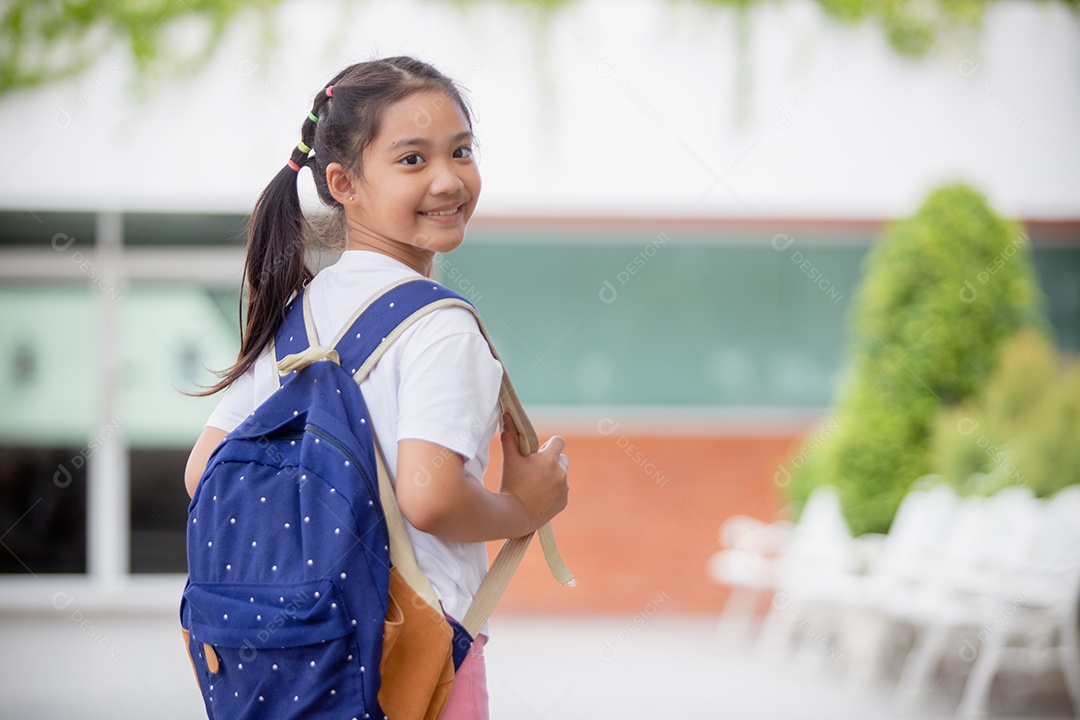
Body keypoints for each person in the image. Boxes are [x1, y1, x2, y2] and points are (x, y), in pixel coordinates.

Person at [183, 56, 570, 720]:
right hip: (411, 661)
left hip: (295, 663)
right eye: (413, 160)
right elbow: (430, 497)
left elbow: (203, 473)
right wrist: (523, 509)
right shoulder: (440, 328)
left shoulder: (296, 315)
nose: (449, 178)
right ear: (344, 183)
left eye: (462, 151)